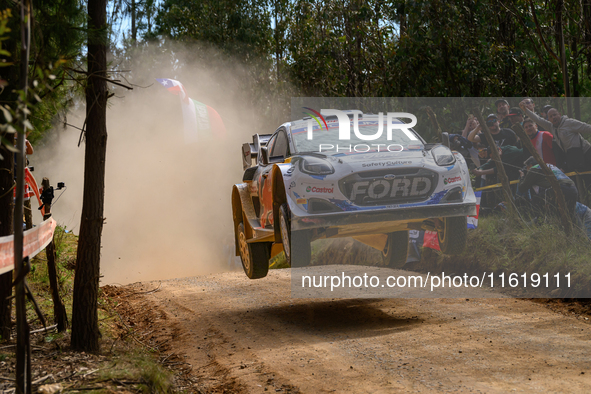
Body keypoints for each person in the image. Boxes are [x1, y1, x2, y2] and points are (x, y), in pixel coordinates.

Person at [520, 100, 591, 172]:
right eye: (551, 116)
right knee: (584, 178)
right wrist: (526, 110)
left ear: (559, 114)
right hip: (575, 157)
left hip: (586, 152)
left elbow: (587, 128)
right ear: (549, 119)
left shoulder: (569, 123)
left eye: (555, 115)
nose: (553, 117)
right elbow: (538, 120)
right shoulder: (551, 127)